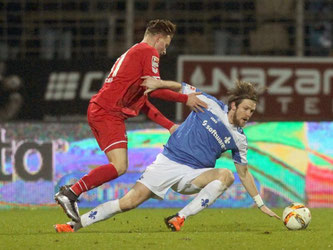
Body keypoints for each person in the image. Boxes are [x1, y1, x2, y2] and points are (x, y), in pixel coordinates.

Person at [54, 80, 280, 233]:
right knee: (128, 202)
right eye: (247, 109)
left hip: (194, 175)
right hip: (168, 162)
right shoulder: (209, 104)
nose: (249, 115)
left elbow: (245, 172)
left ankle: (180, 217)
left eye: (252, 111)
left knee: (226, 174)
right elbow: (181, 87)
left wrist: (259, 203)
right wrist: (158, 83)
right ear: (233, 105)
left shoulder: (239, 139)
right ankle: (73, 225)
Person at [54, 19, 207, 222]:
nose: (164, 52)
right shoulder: (148, 52)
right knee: (119, 166)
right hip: (108, 112)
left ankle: (71, 192)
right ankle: (71, 193)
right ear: (158, 38)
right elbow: (156, 89)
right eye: (166, 45)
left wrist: (169, 125)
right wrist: (185, 98)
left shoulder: (135, 52)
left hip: (102, 110)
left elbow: (143, 101)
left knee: (118, 165)